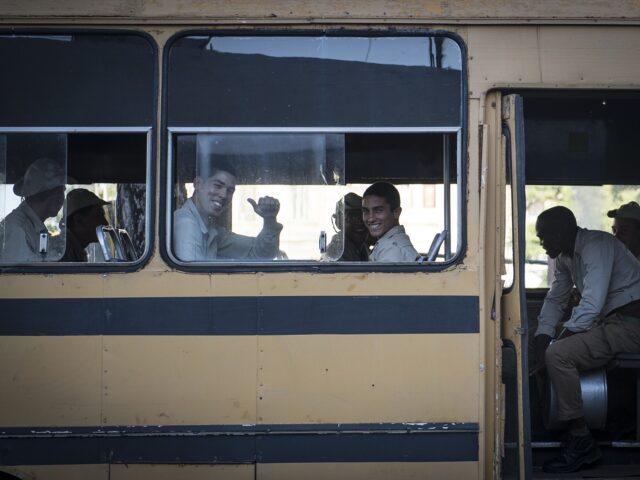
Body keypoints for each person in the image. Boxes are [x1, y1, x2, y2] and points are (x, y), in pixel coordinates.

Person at [533, 206, 640, 474]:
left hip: (630, 327)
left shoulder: (597, 244)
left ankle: (581, 440)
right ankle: (556, 427)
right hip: (611, 323)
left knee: (558, 355)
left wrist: (554, 343)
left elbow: (592, 303)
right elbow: (556, 298)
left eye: (544, 237)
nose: (541, 243)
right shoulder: (566, 258)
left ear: (560, 233)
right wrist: (541, 337)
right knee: (540, 349)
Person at [173, 160, 282, 261]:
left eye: (230, 191)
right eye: (218, 186)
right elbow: (192, 278)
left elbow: (262, 254)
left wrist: (269, 218)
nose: (224, 195)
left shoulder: (209, 229)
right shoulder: (186, 223)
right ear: (198, 184)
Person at [0, 158, 66, 262]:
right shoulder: (17, 228)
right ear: (51, 194)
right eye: (60, 191)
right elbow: (22, 275)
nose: (61, 198)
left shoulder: (30, 225)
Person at [362, 181, 418, 262]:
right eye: (366, 211)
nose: (370, 219)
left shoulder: (391, 249)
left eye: (378, 210)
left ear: (396, 212)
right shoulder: (389, 243)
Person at [59, 188, 109, 262]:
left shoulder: (72, 249)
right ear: (78, 220)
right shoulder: (63, 253)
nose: (105, 223)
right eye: (98, 216)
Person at [325, 193, 369, 261]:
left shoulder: (361, 246)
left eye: (363, 215)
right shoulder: (337, 251)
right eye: (352, 217)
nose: (360, 222)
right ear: (338, 222)